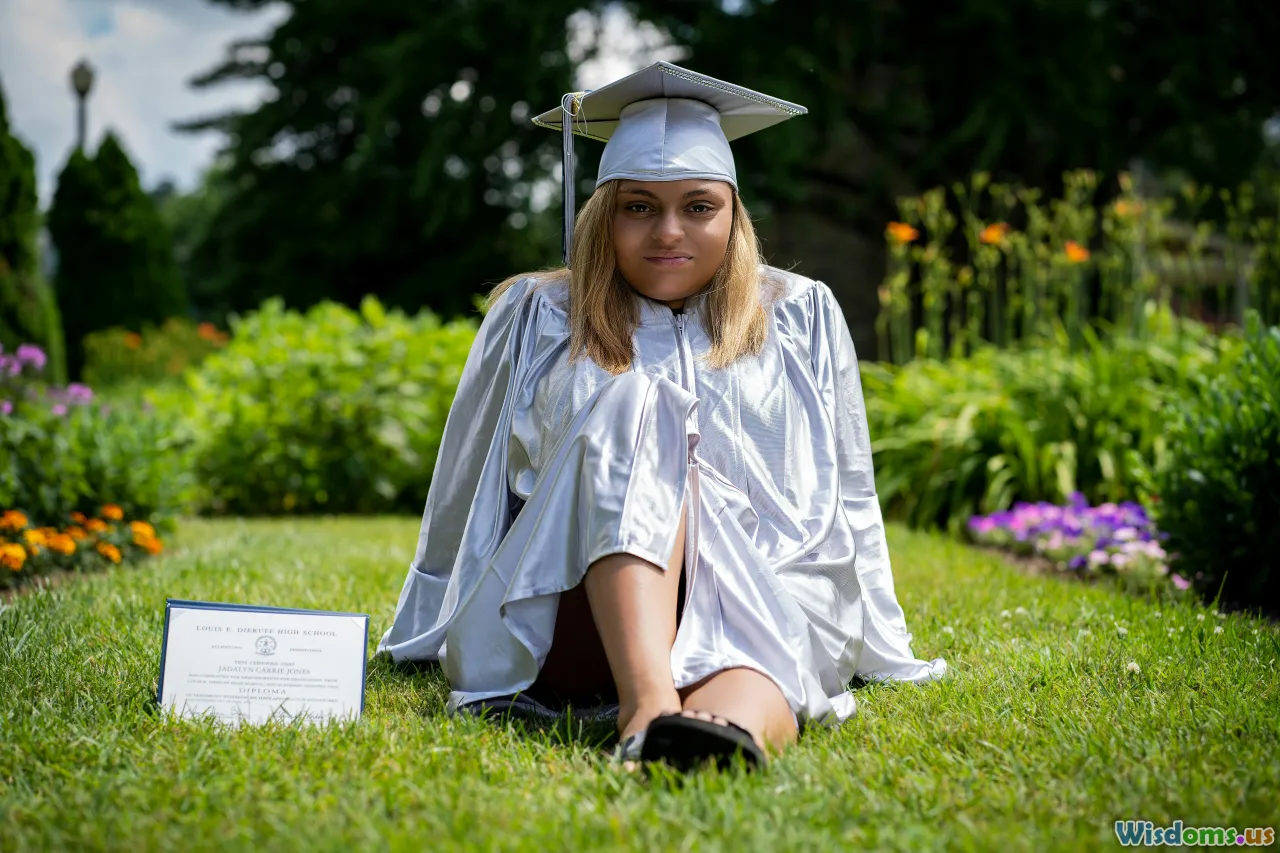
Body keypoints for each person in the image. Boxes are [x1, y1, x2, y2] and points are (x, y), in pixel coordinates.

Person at [378, 62, 946, 771]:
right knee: (637, 400)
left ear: (734, 214)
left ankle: (712, 735)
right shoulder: (539, 314)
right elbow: (473, 483)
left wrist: (879, 637)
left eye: (699, 206)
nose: (668, 232)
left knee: (758, 652)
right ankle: (648, 704)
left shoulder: (797, 312)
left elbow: (846, 485)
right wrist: (431, 619)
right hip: (575, 603)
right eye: (639, 206)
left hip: (763, 587)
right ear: (602, 214)